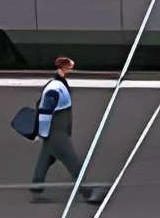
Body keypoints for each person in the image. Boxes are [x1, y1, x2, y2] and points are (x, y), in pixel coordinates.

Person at [30, 56, 105, 205]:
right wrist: (41, 132)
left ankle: (36, 190)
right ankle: (87, 192)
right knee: (72, 161)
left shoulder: (58, 85)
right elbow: (44, 111)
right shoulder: (55, 88)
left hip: (56, 131)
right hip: (57, 133)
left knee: (45, 159)